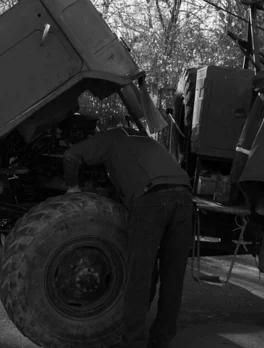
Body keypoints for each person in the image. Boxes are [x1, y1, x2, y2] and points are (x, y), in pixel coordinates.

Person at [63, 126, 193, 348]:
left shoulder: (110, 137)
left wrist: (73, 188)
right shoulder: (144, 141)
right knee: (173, 277)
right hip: (184, 197)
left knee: (139, 278)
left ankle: (133, 343)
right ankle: (161, 340)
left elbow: (71, 155)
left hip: (152, 199)